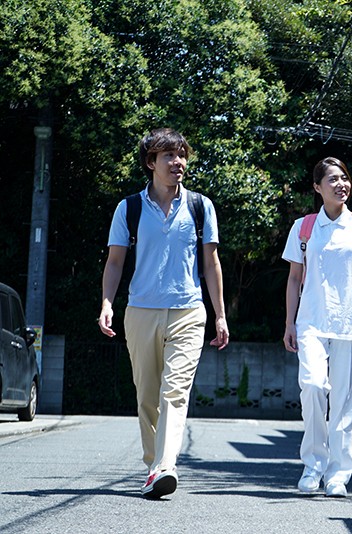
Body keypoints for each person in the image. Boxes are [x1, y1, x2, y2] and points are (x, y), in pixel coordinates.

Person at [98, 127, 229, 499]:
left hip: (189, 311)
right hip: (141, 310)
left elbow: (211, 263)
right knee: (147, 396)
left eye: (182, 154)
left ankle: (165, 466)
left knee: (175, 391)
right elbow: (115, 261)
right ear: (151, 162)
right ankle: (153, 466)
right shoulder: (130, 208)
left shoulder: (200, 206)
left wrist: (220, 315)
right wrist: (107, 303)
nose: (178, 162)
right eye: (169, 155)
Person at [282, 157, 352, 498]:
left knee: (344, 402)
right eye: (332, 179)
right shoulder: (304, 227)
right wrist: (289, 323)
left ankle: (337, 476)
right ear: (317, 187)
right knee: (313, 385)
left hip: (351, 321)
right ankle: (313, 465)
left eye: (344, 178)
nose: (341, 184)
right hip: (311, 321)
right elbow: (294, 278)